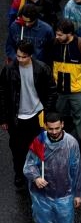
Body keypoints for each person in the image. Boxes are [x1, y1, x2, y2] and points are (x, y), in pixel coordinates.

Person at [24, 112, 81, 223]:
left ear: (63, 125)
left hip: (64, 193)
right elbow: (29, 165)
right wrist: (36, 177)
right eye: (50, 129)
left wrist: (78, 193)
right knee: (50, 221)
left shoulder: (71, 143)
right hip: (44, 194)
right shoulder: (40, 141)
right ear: (45, 127)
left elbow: (77, 169)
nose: (54, 132)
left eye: (57, 128)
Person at [0, 41, 57, 189]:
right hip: (16, 117)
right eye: (18, 56)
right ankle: (19, 174)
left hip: (36, 115)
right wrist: (3, 118)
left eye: (23, 57)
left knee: (38, 148)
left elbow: (52, 90)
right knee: (17, 149)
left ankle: (37, 175)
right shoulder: (8, 69)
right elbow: (2, 94)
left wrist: (47, 112)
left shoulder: (42, 68)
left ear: (30, 56)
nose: (19, 59)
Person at [47, 19, 81, 140]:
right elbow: (47, 64)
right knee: (57, 121)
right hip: (59, 92)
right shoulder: (53, 44)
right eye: (56, 34)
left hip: (79, 93)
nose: (57, 37)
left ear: (69, 33)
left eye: (60, 35)